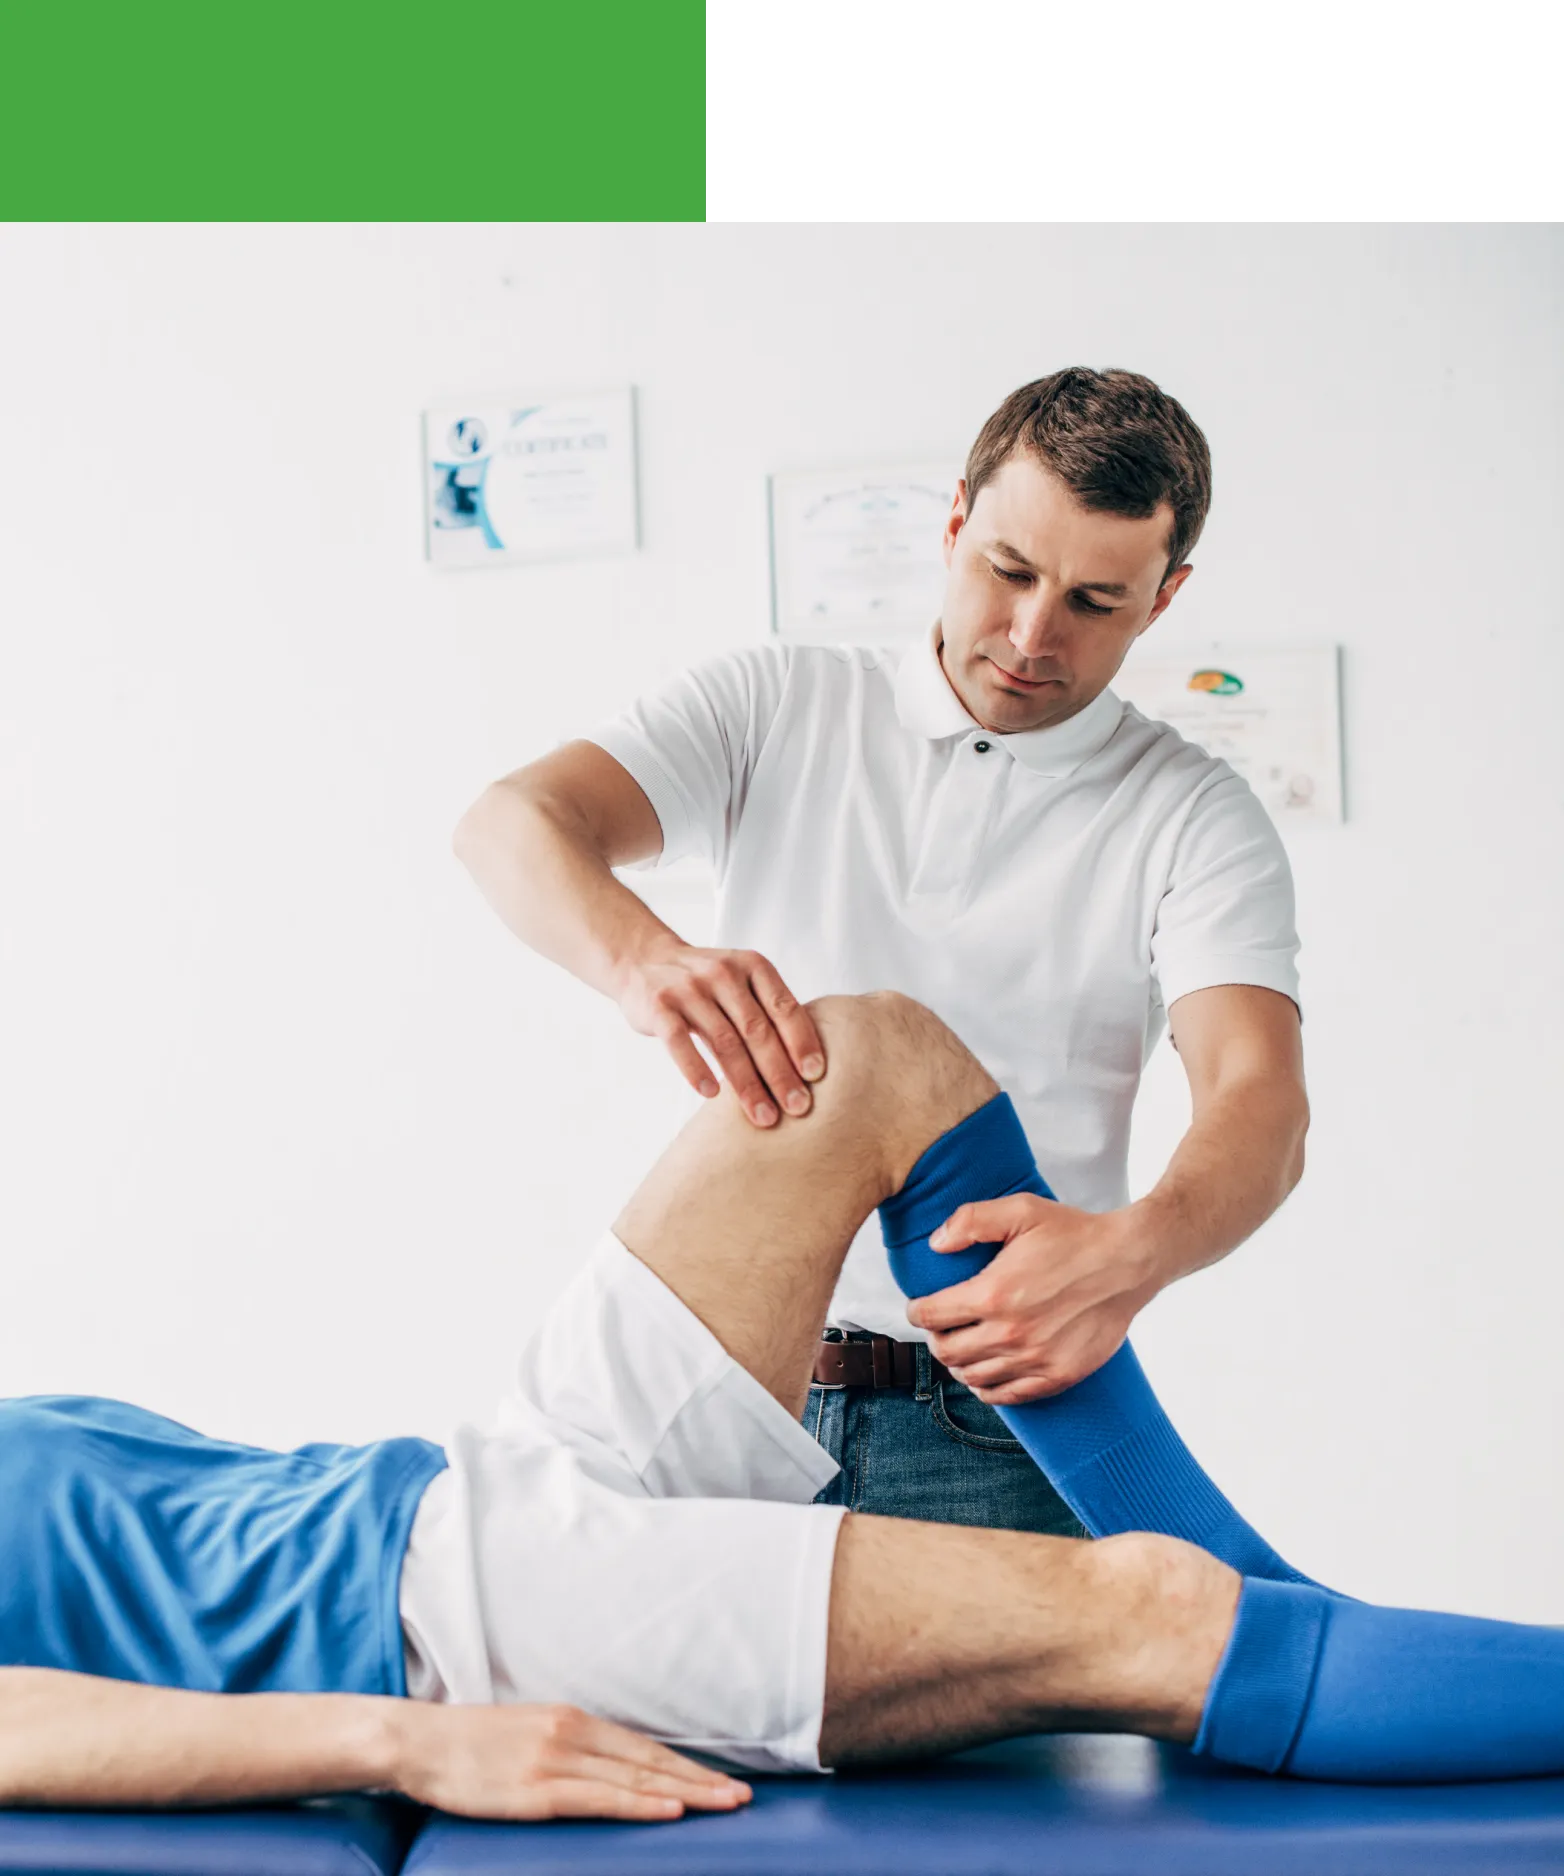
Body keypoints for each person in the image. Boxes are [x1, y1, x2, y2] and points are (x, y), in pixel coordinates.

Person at [3, 995, 1563, 1821]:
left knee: (869, 1057)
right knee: (1152, 1616)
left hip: (465, 1489)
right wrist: (407, 1742)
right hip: (461, 1628)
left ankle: (1285, 1618)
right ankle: (1273, 1631)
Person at [453, 367, 1309, 1540]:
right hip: (723, 1385)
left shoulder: (1193, 813)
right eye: (1007, 571)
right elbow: (510, 822)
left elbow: (1259, 1096)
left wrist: (1133, 1253)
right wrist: (640, 958)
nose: (1030, 634)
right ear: (954, 521)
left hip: (988, 1427)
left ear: (1163, 599)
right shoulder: (780, 701)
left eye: (1095, 602)